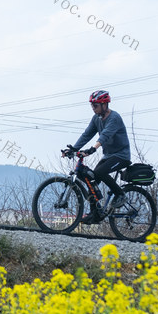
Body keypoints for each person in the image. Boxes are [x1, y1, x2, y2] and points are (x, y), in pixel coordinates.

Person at [66, 90, 131, 223]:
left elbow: (105, 136)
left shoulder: (114, 118)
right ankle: (95, 215)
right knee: (91, 180)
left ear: (104, 104)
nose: (93, 108)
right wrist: (73, 148)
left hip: (121, 156)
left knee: (99, 172)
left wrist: (93, 149)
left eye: (95, 105)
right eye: (92, 106)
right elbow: (87, 134)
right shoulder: (96, 119)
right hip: (108, 156)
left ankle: (120, 194)